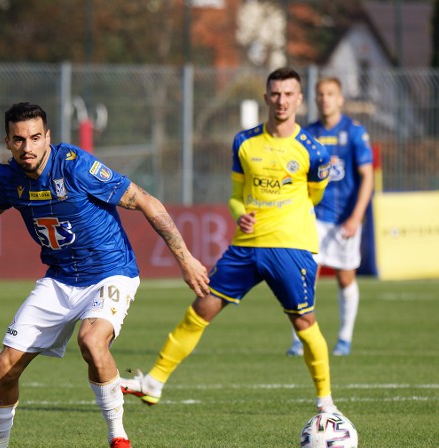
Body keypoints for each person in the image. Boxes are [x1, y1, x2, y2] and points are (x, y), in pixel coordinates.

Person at [0, 102, 209, 448]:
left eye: (35, 138)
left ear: (47, 137)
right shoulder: (11, 177)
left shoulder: (75, 165)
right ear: (7, 142)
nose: (27, 147)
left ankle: (120, 439)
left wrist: (185, 258)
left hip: (110, 272)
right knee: (5, 365)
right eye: (18, 139)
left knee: (92, 342)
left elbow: (144, 200)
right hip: (60, 278)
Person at [120, 67, 340, 414]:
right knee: (202, 305)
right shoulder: (244, 142)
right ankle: (154, 383)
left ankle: (326, 403)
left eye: (288, 94)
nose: (281, 101)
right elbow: (236, 196)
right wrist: (241, 215)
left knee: (303, 322)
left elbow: (313, 197)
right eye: (275, 94)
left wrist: (281, 218)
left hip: (291, 246)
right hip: (246, 246)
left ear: (299, 99)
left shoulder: (314, 152)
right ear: (266, 97)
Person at [286, 75, 374, 358]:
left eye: (330, 94)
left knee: (345, 278)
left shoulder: (355, 132)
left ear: (340, 99)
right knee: (304, 276)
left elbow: (367, 177)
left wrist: (356, 216)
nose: (325, 99)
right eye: (320, 94)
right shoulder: (306, 133)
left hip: (345, 218)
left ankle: (344, 339)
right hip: (313, 216)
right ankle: (300, 339)